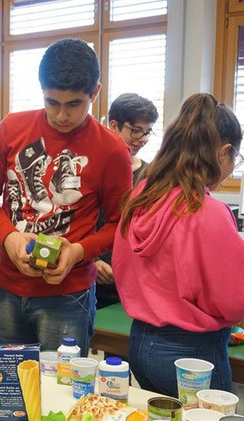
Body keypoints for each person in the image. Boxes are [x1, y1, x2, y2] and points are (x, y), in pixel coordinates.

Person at [112, 93, 244, 396]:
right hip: (192, 353)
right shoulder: (206, 212)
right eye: (235, 159)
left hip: (141, 344)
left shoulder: (142, 197)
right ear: (224, 152)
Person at [0, 38, 133, 355]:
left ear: (95, 92)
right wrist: (8, 238)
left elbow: (120, 223)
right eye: (51, 102)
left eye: (74, 104)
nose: (61, 115)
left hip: (68, 295)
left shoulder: (112, 149)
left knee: (60, 391)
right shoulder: (12, 128)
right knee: (13, 390)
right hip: (9, 288)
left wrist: (78, 252)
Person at [95, 93, 159, 309]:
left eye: (147, 132)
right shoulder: (91, 166)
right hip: (92, 272)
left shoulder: (151, 174)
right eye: (135, 130)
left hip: (133, 279)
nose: (142, 138)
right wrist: (91, 262)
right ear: (114, 125)